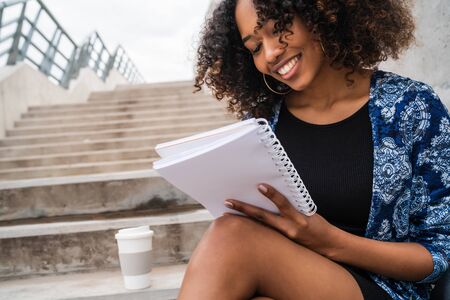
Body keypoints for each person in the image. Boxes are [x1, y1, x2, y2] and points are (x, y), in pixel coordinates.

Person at [178, 0, 450, 299]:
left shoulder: (412, 107)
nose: (269, 54)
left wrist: (330, 241)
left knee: (232, 236)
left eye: (278, 29)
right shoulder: (261, 125)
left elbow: (438, 254)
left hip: (386, 288)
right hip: (291, 280)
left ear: (321, 13)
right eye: (255, 47)